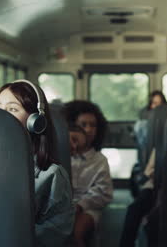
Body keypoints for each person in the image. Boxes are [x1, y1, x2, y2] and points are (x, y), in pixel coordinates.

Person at [0, 80, 74, 247]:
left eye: (12, 109)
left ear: (35, 122)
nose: (0, 116)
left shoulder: (51, 175)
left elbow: (55, 234)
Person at [62, 100, 114, 247]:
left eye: (93, 125)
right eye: (83, 124)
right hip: (62, 207)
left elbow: (104, 193)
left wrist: (79, 206)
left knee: (76, 233)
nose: (89, 129)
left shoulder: (99, 160)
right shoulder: (61, 155)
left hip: (88, 208)